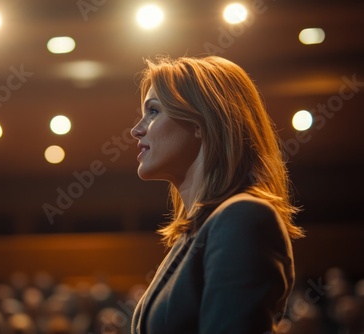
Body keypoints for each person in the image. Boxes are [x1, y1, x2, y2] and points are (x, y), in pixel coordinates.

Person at [130, 55, 305, 334]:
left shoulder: (243, 218)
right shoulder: (195, 232)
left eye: (153, 111)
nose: (136, 129)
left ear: (202, 121)